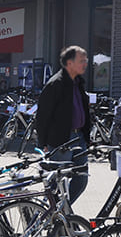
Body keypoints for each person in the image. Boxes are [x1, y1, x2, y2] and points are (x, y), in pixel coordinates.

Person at [34, 45, 91, 204]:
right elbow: (42, 116)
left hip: (79, 138)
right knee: (57, 184)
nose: (85, 64)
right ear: (69, 63)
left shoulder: (78, 82)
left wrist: (86, 136)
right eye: (81, 60)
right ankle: (46, 216)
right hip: (62, 140)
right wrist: (43, 143)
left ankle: (60, 212)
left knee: (81, 180)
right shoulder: (56, 84)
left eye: (85, 60)